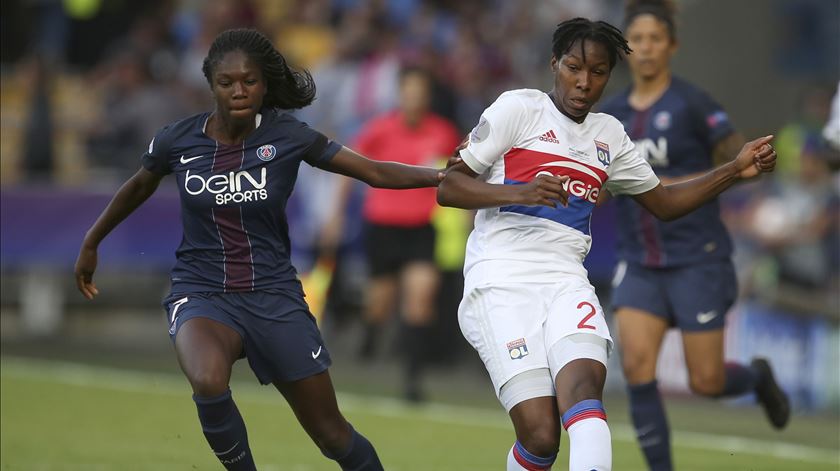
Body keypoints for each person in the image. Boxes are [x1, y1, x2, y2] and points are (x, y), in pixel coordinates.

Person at [74, 28, 444, 471]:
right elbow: (137, 187)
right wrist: (92, 241)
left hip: (274, 295)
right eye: (226, 82)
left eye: (249, 81)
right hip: (203, 291)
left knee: (332, 436)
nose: (238, 90)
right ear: (210, 84)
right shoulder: (178, 140)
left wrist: (440, 176)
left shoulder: (289, 136)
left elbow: (373, 171)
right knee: (209, 380)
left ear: (265, 84)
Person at [437, 17, 778, 471]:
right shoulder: (519, 109)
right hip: (500, 282)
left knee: (584, 396)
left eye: (598, 72)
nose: (584, 82)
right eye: (574, 67)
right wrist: (521, 191)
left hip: (566, 283)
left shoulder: (609, 136)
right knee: (541, 437)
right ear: (554, 63)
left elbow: (664, 201)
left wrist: (734, 170)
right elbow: (450, 187)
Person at [597, 2, 790, 469]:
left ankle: (758, 380)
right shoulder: (610, 116)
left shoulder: (694, 103)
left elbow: (736, 158)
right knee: (638, 368)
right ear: (626, 48)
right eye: (636, 40)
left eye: (654, 39)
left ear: (672, 46)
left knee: (706, 382)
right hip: (639, 259)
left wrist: (751, 165)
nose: (644, 48)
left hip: (697, 258)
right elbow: (597, 181)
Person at [322, 66, 461, 402]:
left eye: (419, 92)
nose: (413, 98)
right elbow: (347, 168)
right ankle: (370, 334)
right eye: (408, 91)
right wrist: (336, 215)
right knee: (380, 304)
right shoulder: (380, 129)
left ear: (427, 96)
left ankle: (412, 382)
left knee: (420, 297)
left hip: (421, 228)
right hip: (383, 227)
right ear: (400, 94)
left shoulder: (443, 133)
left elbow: (458, 176)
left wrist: (465, 213)